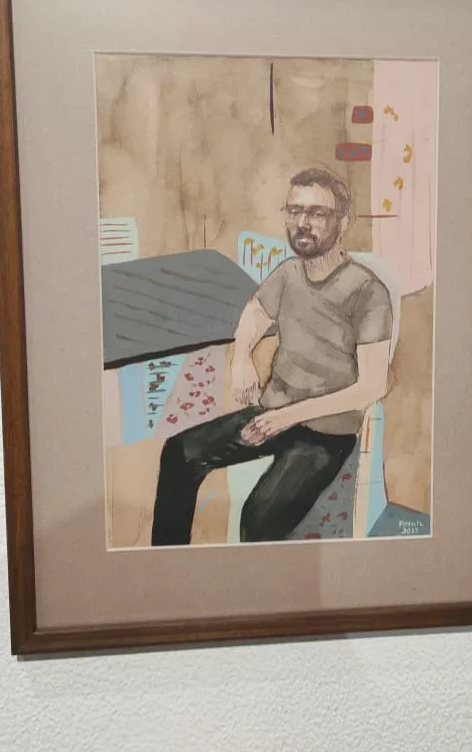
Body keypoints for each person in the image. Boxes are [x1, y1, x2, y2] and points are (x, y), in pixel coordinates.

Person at [151, 167, 393, 545]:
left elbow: (372, 386)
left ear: (342, 222)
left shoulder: (368, 292)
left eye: (316, 213)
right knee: (179, 453)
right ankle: (165, 567)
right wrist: (241, 359)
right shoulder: (288, 273)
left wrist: (286, 417)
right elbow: (253, 313)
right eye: (294, 211)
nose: (303, 222)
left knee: (259, 516)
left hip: (325, 433)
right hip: (271, 414)